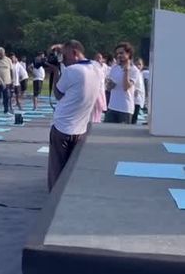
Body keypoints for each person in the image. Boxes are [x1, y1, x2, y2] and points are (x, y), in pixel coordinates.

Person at [47, 40, 101, 192]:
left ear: (75, 53)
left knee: (57, 170)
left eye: (64, 56)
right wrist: (63, 49)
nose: (63, 60)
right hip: (80, 128)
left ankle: (54, 197)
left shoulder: (72, 71)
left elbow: (58, 94)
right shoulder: (96, 68)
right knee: (71, 170)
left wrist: (56, 72)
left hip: (62, 127)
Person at [105, 42, 140, 124]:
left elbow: (125, 87)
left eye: (121, 53)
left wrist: (126, 71)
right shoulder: (114, 68)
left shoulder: (134, 70)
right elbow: (109, 88)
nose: (119, 55)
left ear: (129, 53)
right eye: (117, 54)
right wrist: (108, 83)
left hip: (125, 109)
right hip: (112, 107)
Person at [0, 47, 13, 116]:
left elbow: (11, 70)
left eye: (1, 54)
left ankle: (6, 110)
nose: (0, 55)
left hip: (7, 82)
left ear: (4, 53)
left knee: (6, 97)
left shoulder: (8, 60)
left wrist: (12, 79)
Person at [132, 58, 145, 125]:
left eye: (139, 64)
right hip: (133, 99)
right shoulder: (133, 73)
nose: (138, 66)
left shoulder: (141, 74)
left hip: (139, 99)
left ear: (142, 65)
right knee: (132, 118)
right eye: (136, 64)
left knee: (135, 118)